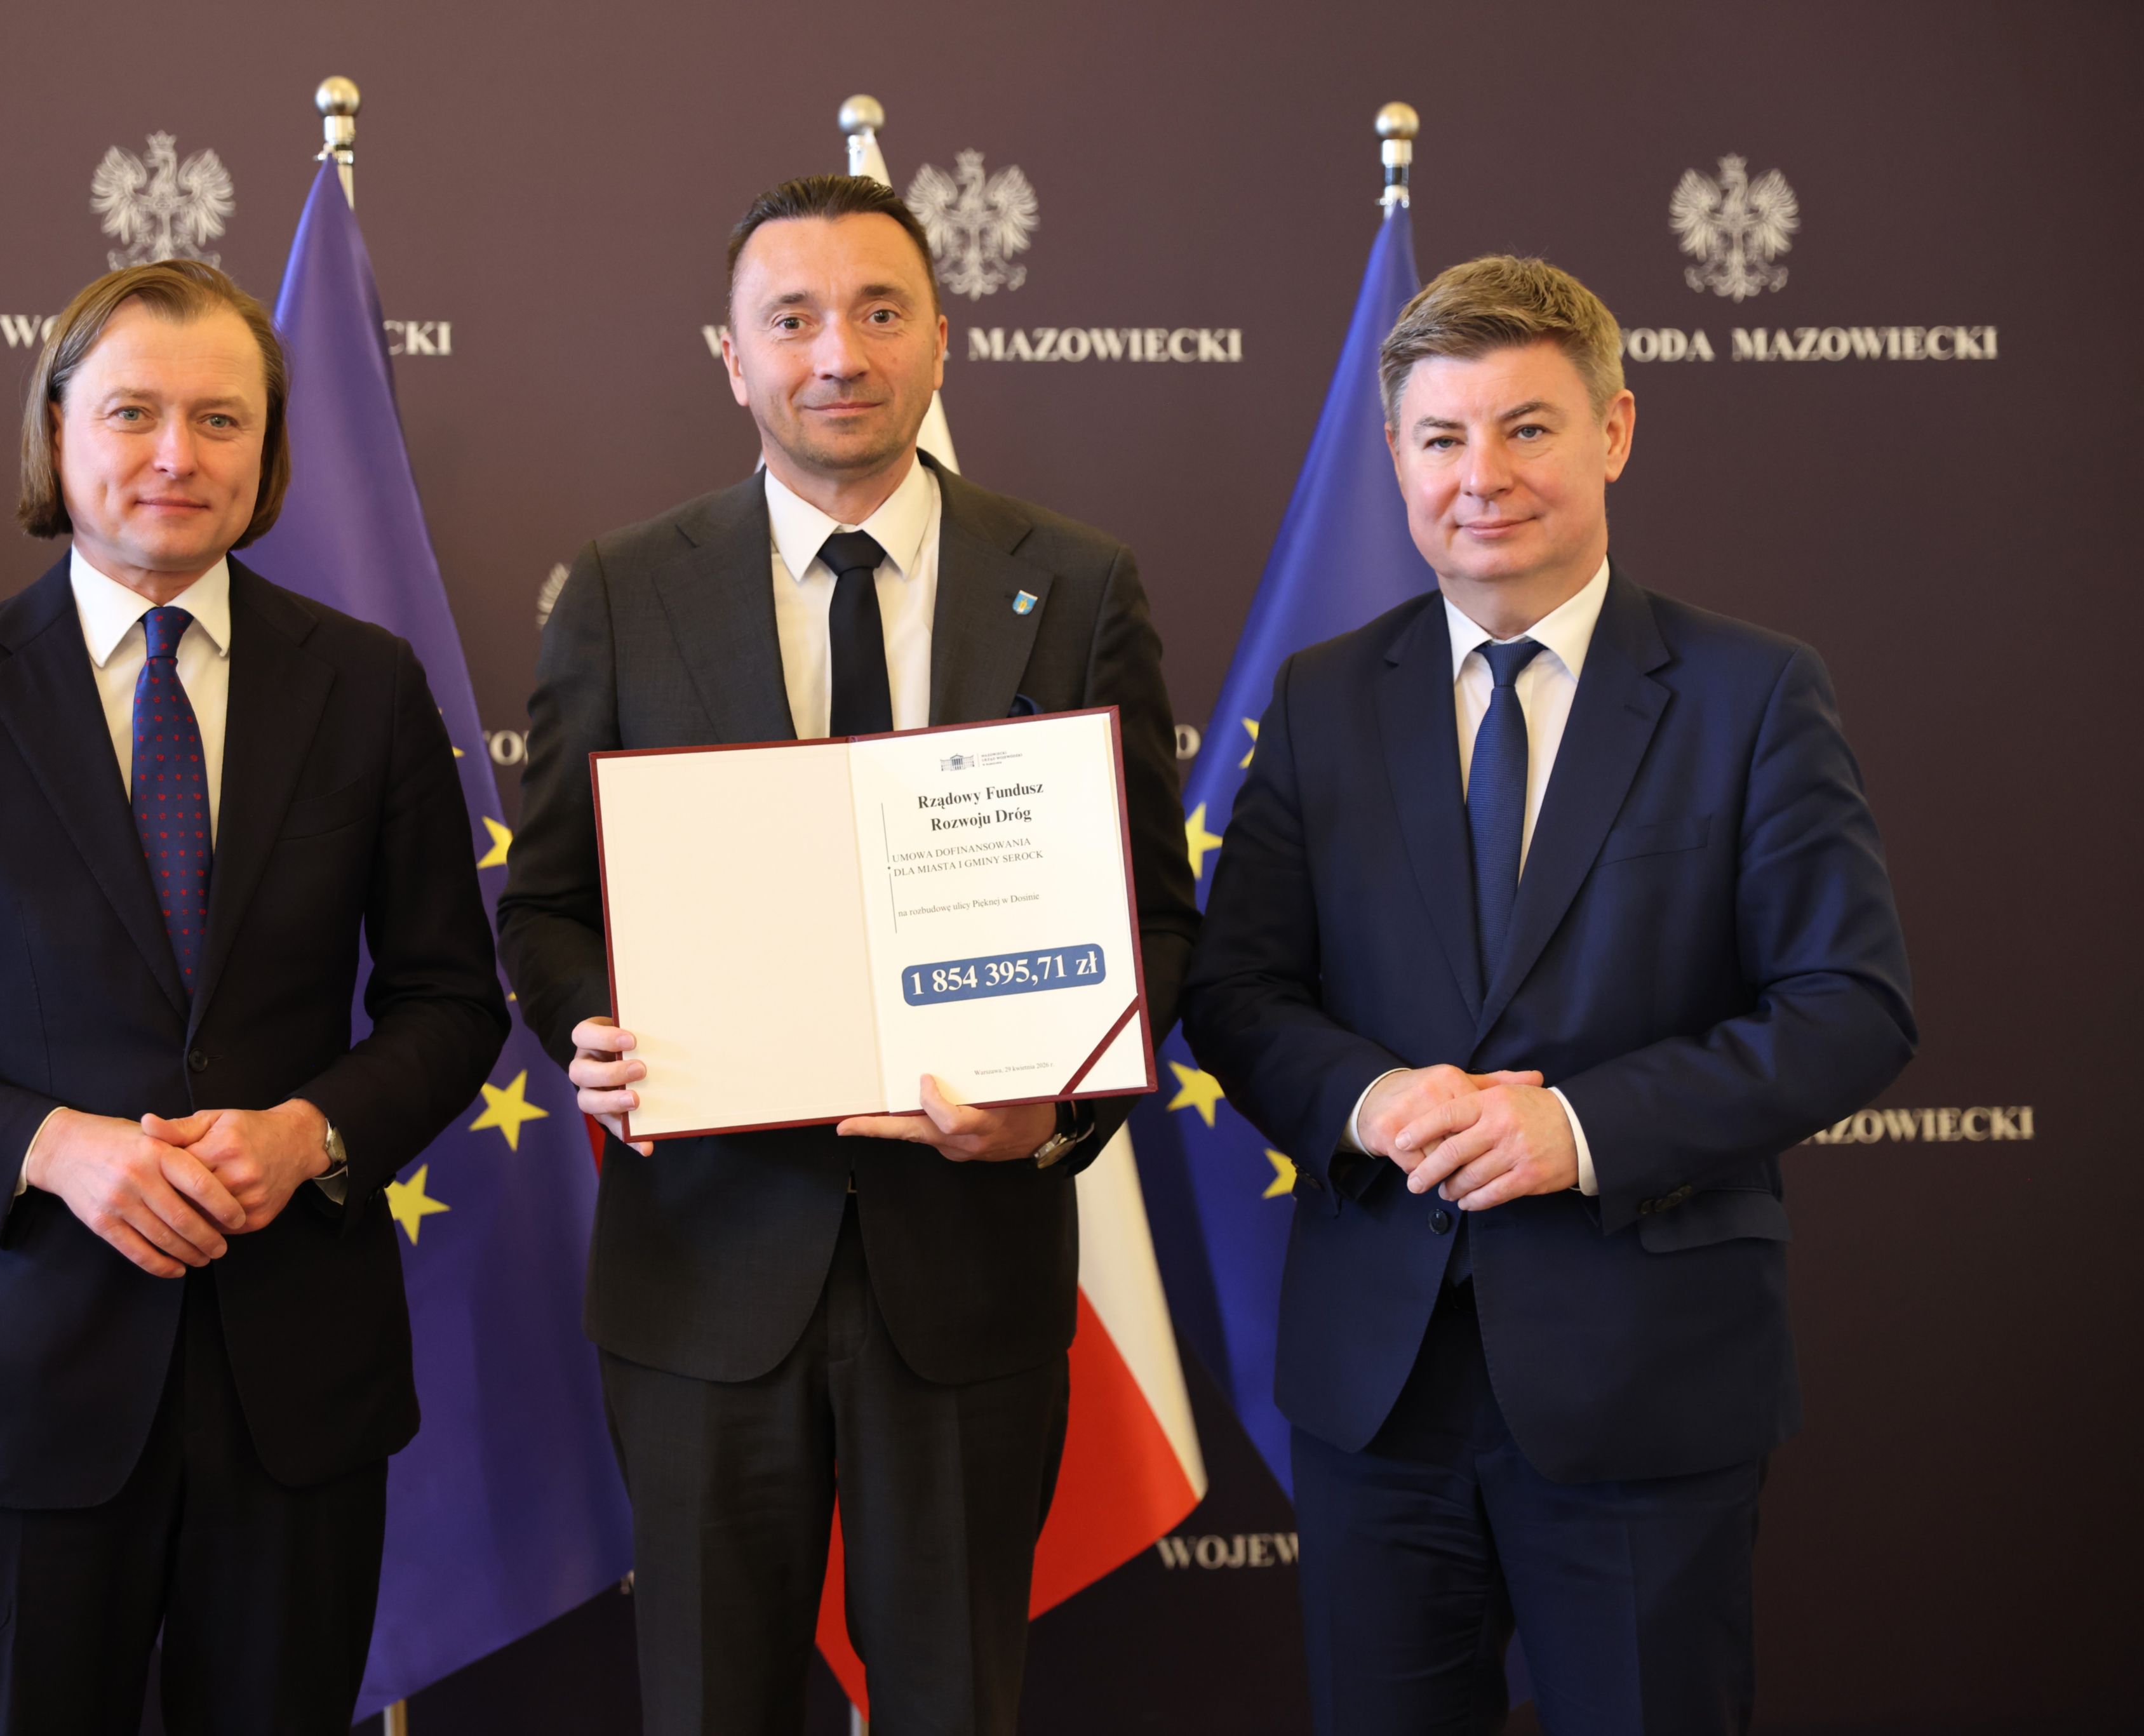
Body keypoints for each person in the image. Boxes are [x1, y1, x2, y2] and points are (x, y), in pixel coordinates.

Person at [497, 174, 1196, 1735]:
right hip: (700, 1276)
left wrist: (1056, 1110)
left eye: (879, 312)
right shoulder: (620, 587)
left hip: (968, 1275)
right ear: (729, 356)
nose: (837, 353)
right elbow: (543, 905)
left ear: (941, 339)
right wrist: (590, 1026)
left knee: (951, 1703)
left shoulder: (1077, 583)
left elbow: (1154, 916)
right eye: (792, 318)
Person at [0, 259, 507, 1735]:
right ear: (56, 432)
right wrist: (53, 1147)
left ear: (266, 451)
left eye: (220, 418)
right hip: (25, 1381)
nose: (177, 452)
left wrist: (312, 1131)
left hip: (295, 1387)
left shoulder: (366, 686)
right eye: (133, 412)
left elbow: (449, 1000)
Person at [1182, 255, 1915, 1735]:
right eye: (1440, 437)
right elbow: (1237, 985)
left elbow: (1849, 1002)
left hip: (1643, 1379)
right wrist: (1368, 1098)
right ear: (1394, 456)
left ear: (1613, 430)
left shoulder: (1750, 693)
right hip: (1378, 1389)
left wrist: (1576, 1127)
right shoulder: (1320, 700)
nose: (1481, 476)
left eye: (1526, 427)